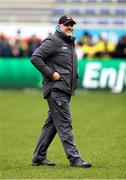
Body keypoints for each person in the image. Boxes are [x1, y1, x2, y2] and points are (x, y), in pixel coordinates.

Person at [31, 15, 92, 168]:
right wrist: (51, 73)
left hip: (64, 89)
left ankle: (38, 156)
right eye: (67, 24)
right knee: (65, 123)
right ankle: (74, 158)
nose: (70, 27)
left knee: (52, 125)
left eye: (72, 24)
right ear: (59, 26)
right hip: (56, 89)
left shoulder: (68, 42)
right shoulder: (54, 41)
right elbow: (35, 57)